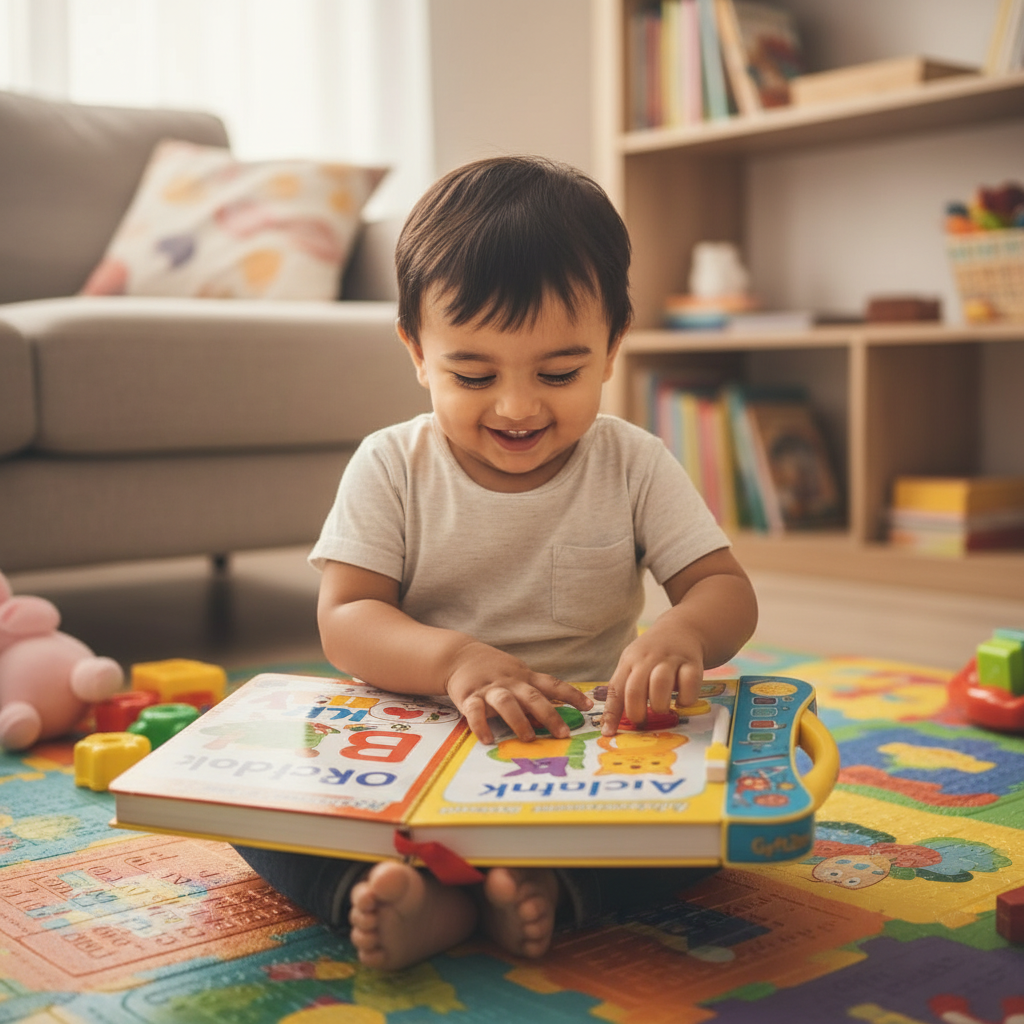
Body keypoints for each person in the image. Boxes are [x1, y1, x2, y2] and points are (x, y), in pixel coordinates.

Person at [235, 155, 758, 971]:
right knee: (250, 807)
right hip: (416, 746)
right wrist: (455, 662)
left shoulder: (634, 463)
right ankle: (410, 899)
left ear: (613, 348)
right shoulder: (391, 465)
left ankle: (545, 887)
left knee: (724, 817)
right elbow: (346, 618)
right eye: (473, 374)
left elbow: (723, 587)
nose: (517, 407)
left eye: (560, 372)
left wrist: (681, 634)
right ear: (417, 351)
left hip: (586, 760)